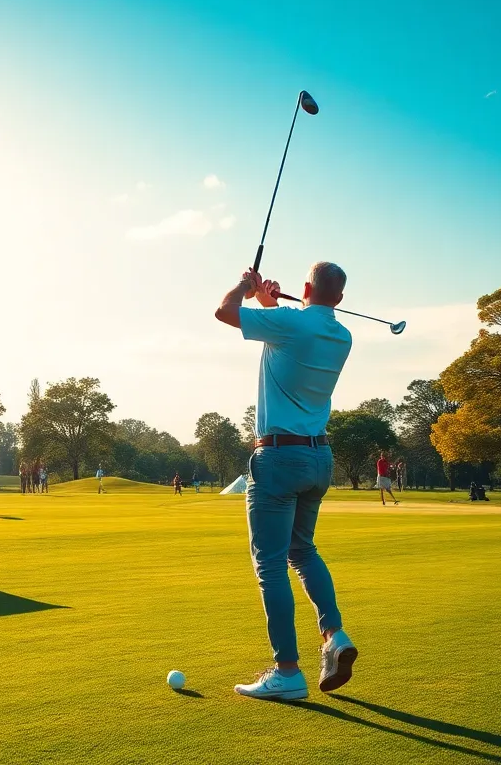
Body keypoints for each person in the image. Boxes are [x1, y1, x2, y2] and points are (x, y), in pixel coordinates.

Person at [215, 262, 357, 700]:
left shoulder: (290, 324)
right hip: (319, 457)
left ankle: (287, 672)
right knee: (302, 550)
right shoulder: (341, 335)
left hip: (278, 456)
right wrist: (267, 301)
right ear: (339, 298)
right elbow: (285, 337)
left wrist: (245, 284)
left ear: (307, 288)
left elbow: (224, 312)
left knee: (271, 564)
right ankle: (334, 635)